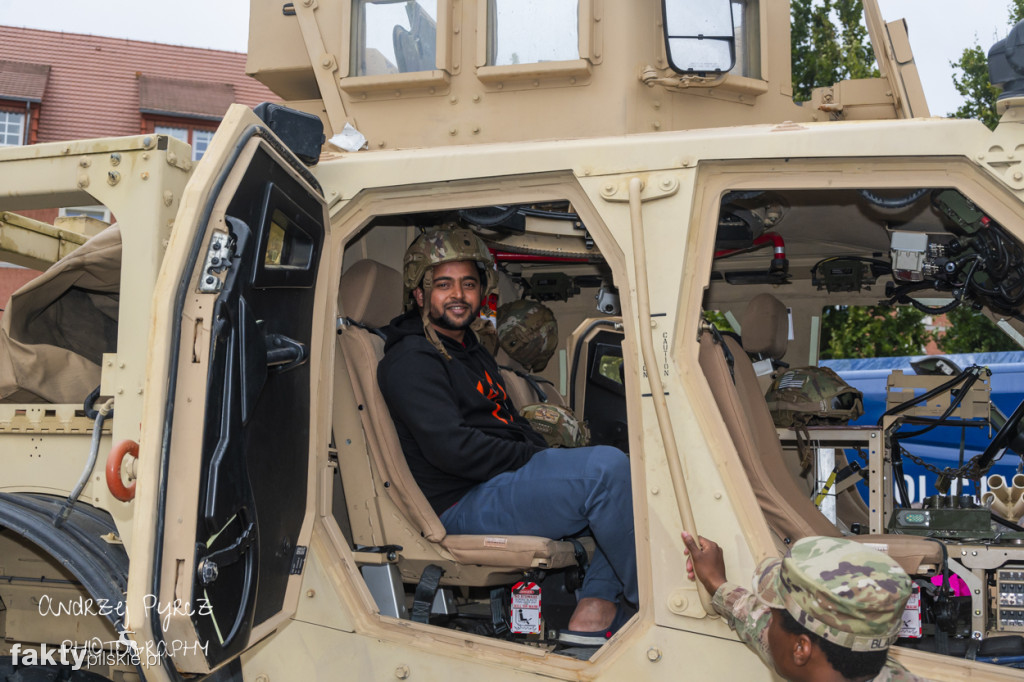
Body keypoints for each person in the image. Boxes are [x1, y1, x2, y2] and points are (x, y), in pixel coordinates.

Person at [378, 227, 636, 645]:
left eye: (468, 283)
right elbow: (453, 450)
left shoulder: (472, 351)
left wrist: (534, 449)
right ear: (421, 295)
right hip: (462, 500)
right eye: (443, 284)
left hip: (496, 483)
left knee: (631, 469)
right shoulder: (411, 359)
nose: (458, 294)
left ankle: (595, 608)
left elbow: (509, 426)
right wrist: (531, 455)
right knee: (606, 472)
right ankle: (660, 610)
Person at [682, 532, 926, 682]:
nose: (767, 621)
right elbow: (756, 621)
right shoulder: (867, 667)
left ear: (801, 648)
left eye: (773, 615)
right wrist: (717, 583)